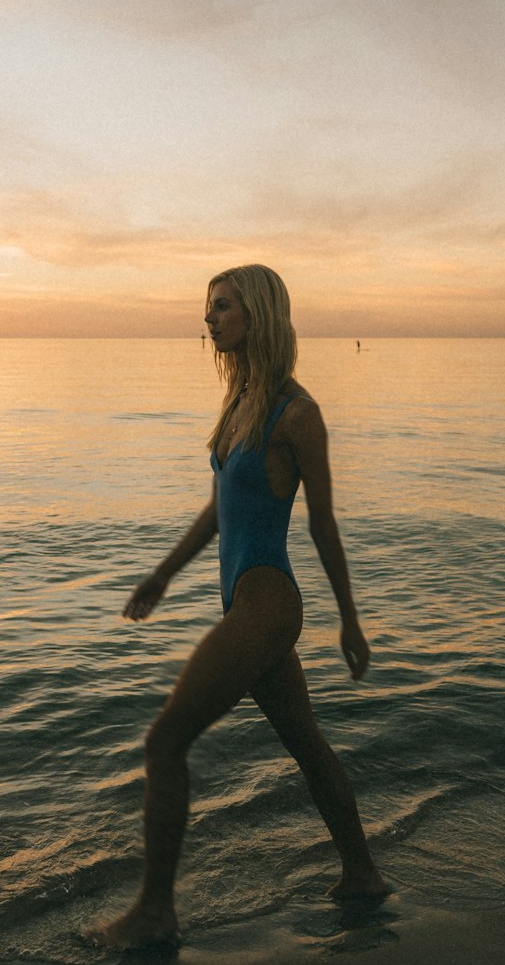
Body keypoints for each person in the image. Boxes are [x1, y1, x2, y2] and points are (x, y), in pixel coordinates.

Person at [87, 264, 386, 949]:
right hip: (243, 604)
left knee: (165, 741)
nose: (209, 319)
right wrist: (162, 574)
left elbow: (323, 524)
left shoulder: (299, 413)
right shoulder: (242, 403)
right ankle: (363, 873)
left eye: (222, 307)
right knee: (307, 745)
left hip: (268, 601)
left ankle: (156, 914)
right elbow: (222, 506)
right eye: (207, 308)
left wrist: (349, 618)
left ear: (257, 313)